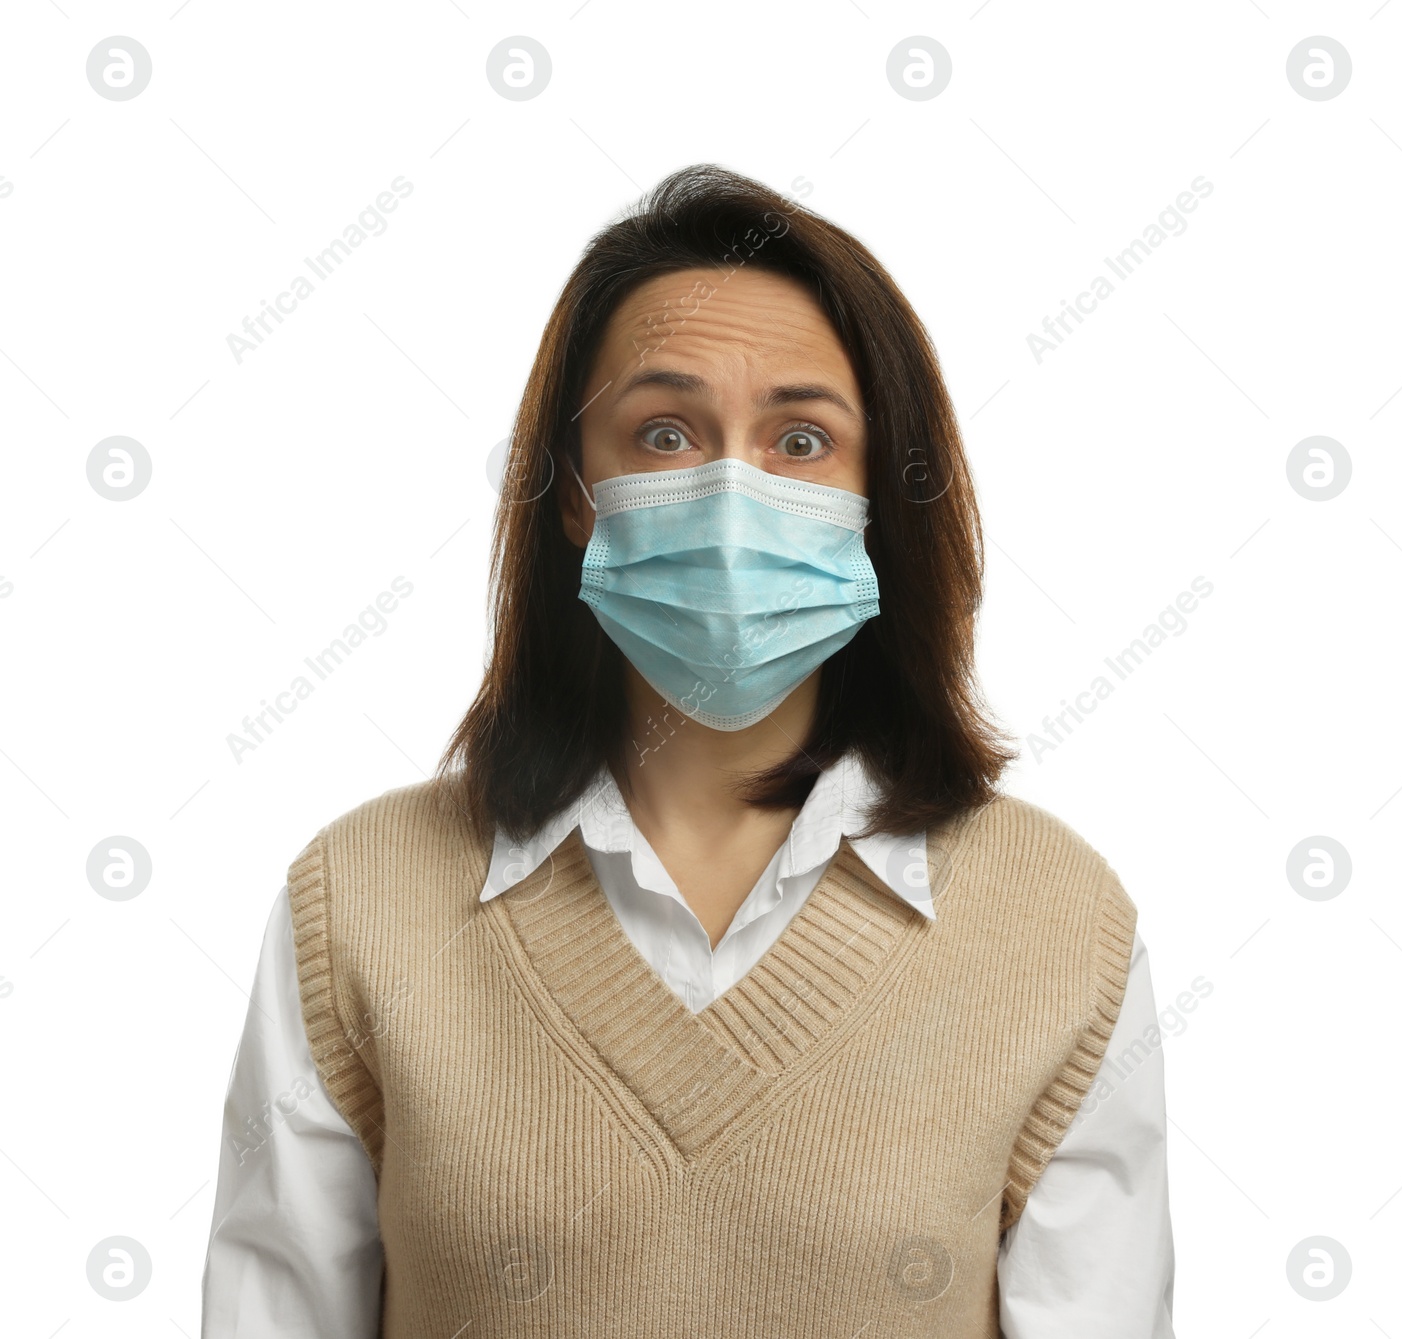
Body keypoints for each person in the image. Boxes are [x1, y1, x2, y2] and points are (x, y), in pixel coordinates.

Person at [200, 163, 1175, 1337]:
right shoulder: (357, 904)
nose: (729, 492)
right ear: (571, 491)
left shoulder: (1054, 921)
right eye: (663, 431)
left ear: (882, 495)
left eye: (802, 439)